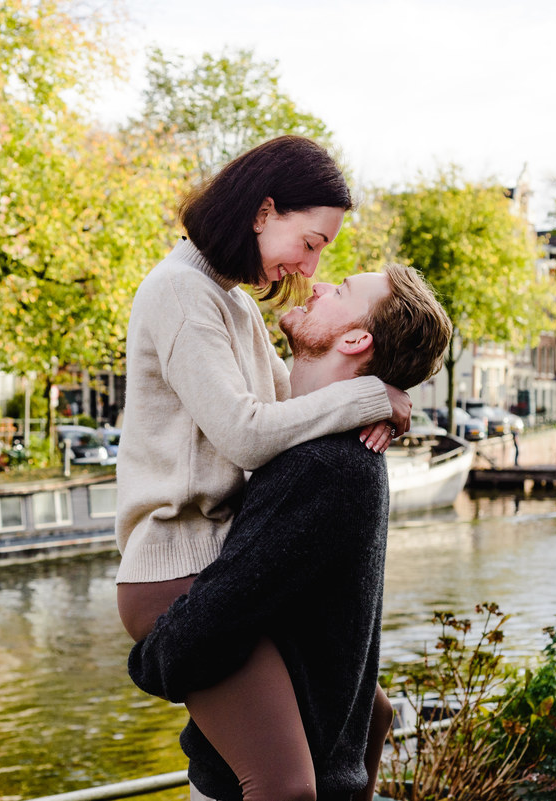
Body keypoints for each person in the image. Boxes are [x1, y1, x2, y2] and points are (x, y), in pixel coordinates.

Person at [115, 136, 412, 801]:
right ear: (262, 211)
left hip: (223, 567)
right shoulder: (181, 294)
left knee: (371, 714)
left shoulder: (235, 303)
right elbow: (248, 435)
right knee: (282, 786)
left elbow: (294, 404)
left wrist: (381, 401)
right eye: (309, 243)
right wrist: (367, 395)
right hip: (173, 574)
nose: (308, 267)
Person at [129, 264, 454, 801]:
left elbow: (221, 612)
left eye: (344, 290)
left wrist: (149, 658)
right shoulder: (345, 454)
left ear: (355, 338)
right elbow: (369, 692)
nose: (320, 282)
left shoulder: (321, 467)